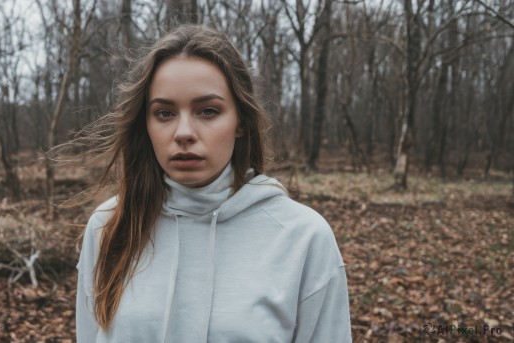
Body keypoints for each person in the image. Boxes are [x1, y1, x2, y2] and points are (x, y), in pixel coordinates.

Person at [74, 24, 351, 342]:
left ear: (241, 123)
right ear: (145, 124)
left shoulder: (303, 238)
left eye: (208, 111)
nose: (183, 133)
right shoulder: (109, 226)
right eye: (164, 113)